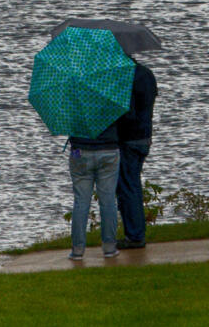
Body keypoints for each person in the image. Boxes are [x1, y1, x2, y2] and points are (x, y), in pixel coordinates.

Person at [115, 59, 158, 249]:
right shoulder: (146, 74)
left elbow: (128, 113)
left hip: (129, 139)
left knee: (127, 185)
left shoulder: (125, 77)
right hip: (145, 135)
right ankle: (136, 232)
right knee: (133, 184)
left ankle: (135, 235)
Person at [67, 111, 123, 259]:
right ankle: (109, 247)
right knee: (108, 200)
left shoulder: (74, 96)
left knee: (81, 201)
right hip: (109, 149)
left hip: (79, 150)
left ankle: (77, 250)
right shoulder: (112, 94)